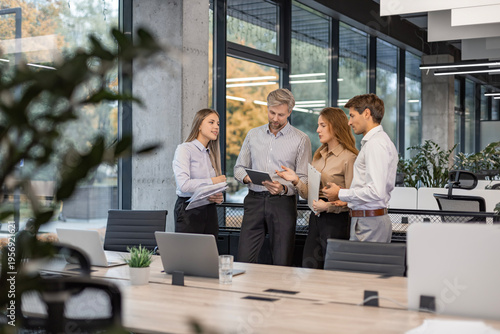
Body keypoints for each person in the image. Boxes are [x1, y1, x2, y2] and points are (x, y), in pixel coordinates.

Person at [234, 88, 312, 266]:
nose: (275, 119)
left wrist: (284, 188)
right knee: (244, 258)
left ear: (290, 112)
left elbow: (304, 180)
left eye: (281, 115)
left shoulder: (301, 139)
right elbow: (238, 169)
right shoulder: (253, 135)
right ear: (267, 108)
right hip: (253, 201)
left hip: (282, 204)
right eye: (272, 113)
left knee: (281, 261)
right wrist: (249, 178)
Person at [277, 107, 358, 269]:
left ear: (334, 127)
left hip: (337, 223)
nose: (317, 130)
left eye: (322, 125)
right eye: (318, 125)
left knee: (333, 271)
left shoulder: (350, 158)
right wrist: (295, 180)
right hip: (315, 220)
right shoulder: (319, 156)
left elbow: (353, 200)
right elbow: (310, 194)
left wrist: (327, 206)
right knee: (309, 268)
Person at [323, 94, 398, 243]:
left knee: (364, 266)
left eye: (352, 116)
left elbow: (375, 191)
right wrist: (347, 200)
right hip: (367, 220)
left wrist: (341, 193)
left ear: (367, 113)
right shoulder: (375, 142)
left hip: (370, 222)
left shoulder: (375, 144)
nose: (349, 122)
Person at [172, 108, 226, 239]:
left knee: (208, 256)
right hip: (188, 211)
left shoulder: (211, 154)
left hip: (209, 210)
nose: (216, 127)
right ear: (199, 125)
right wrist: (214, 181)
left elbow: (208, 188)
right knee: (187, 256)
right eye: (211, 122)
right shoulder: (184, 149)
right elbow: (184, 185)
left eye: (218, 124)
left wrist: (217, 197)